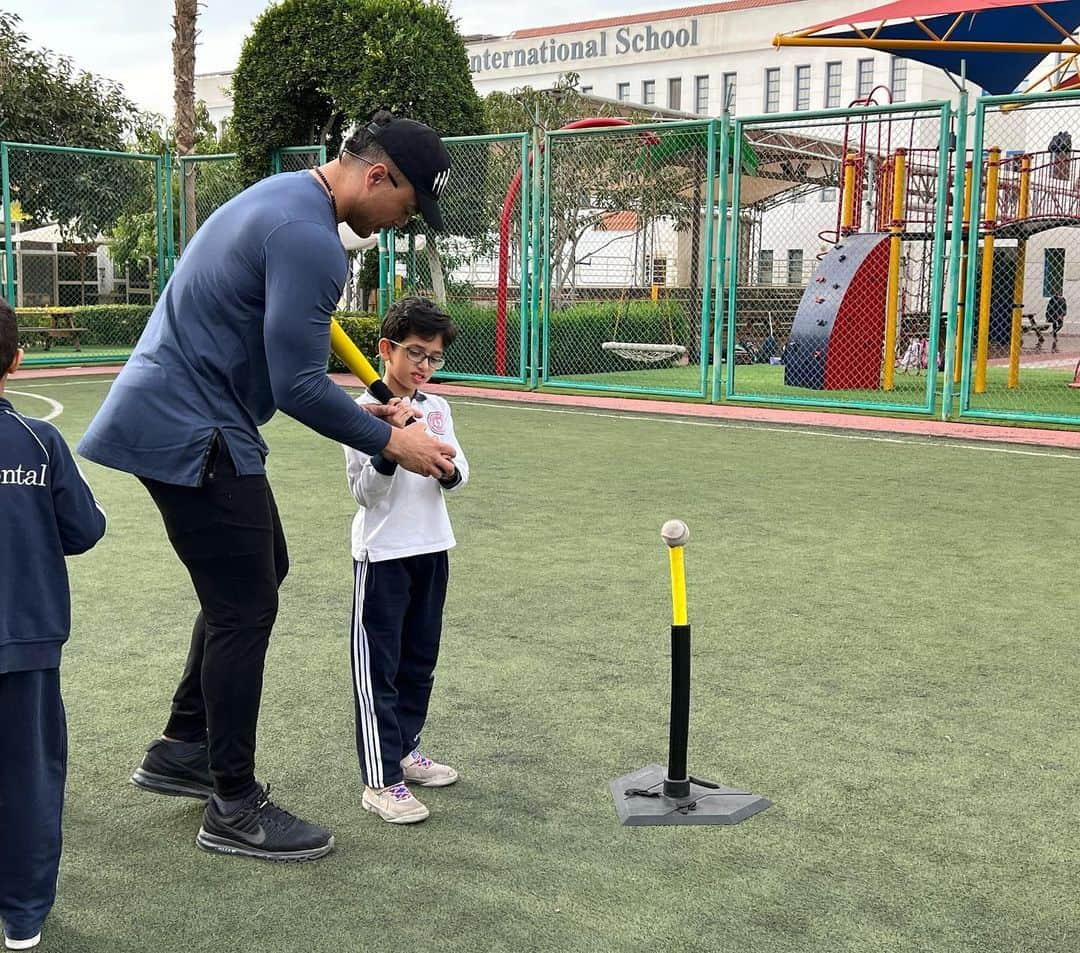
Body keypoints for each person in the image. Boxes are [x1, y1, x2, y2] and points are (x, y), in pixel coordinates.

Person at [77, 111, 458, 863]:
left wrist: (376, 403)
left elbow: (286, 351)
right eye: (406, 207)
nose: (397, 224)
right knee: (246, 604)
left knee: (257, 576)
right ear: (377, 176)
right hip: (194, 430)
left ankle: (184, 746)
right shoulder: (310, 238)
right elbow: (295, 385)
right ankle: (233, 804)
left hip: (193, 421)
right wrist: (394, 440)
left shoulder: (287, 202)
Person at [0, 300, 107, 949]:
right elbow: (85, 528)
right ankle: (23, 915)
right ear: (17, 359)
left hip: (30, 638)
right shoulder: (41, 441)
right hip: (27, 640)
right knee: (30, 776)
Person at [344, 298, 468, 825]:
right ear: (386, 350)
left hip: (432, 548)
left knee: (420, 660)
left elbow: (459, 472)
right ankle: (381, 780)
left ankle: (406, 749)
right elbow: (365, 492)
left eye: (433, 358)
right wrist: (389, 444)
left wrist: (431, 451)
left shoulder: (436, 409)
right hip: (383, 555)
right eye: (415, 352)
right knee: (380, 670)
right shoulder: (359, 412)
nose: (423, 365)